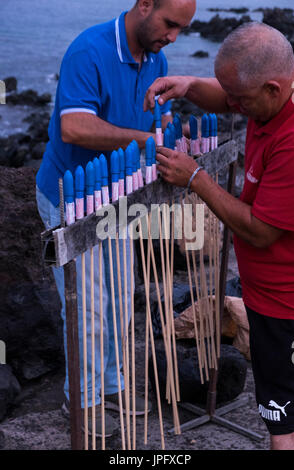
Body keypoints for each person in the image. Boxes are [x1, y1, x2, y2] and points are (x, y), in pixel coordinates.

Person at [36, 0, 196, 438]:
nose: (173, 37)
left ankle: (109, 385)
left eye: (182, 29)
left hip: (120, 196)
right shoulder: (89, 50)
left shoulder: (157, 56)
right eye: (170, 24)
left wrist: (167, 130)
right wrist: (146, 140)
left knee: (121, 299)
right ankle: (82, 401)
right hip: (71, 200)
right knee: (86, 307)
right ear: (144, 5)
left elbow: (159, 118)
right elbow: (74, 127)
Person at [144, 22, 294, 450]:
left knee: (285, 428)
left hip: (286, 307)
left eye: (240, 100)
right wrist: (191, 84)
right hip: (275, 296)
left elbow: (260, 231)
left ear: (272, 88)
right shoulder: (286, 84)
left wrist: (196, 177)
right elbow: (235, 93)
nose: (232, 105)